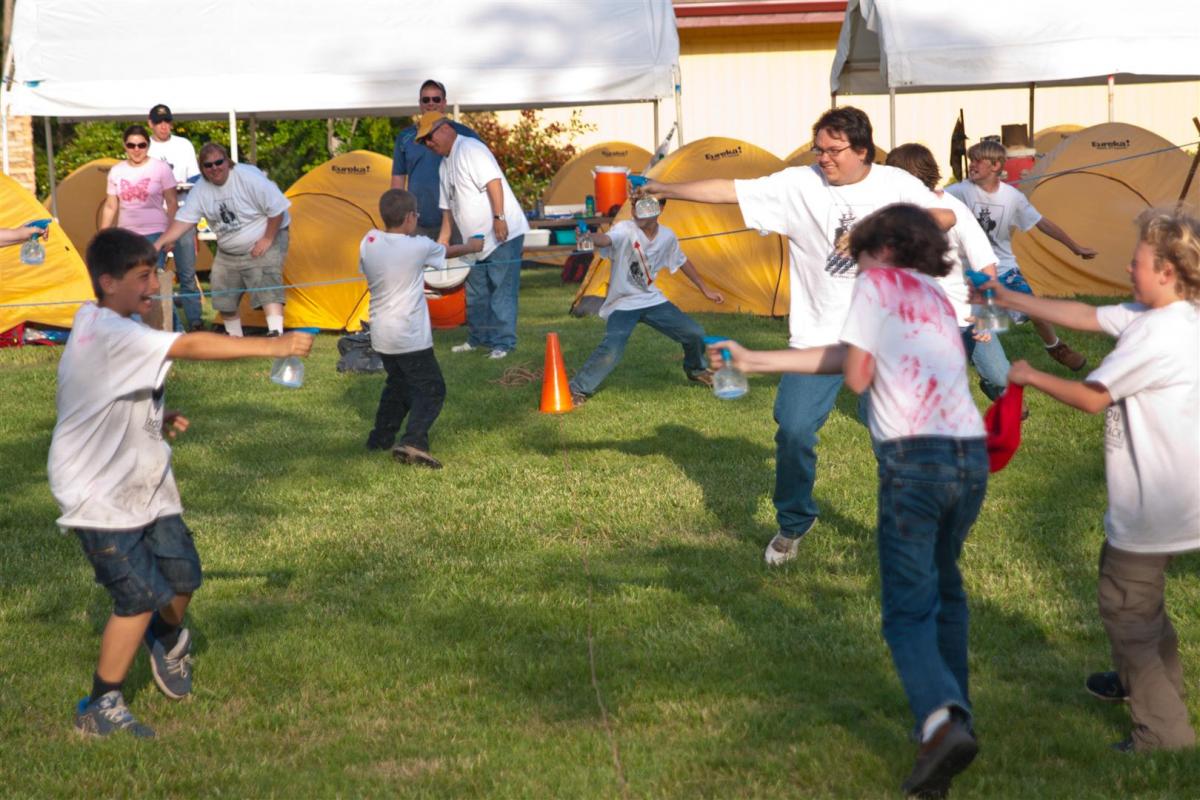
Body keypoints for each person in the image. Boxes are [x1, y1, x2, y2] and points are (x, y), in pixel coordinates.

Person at [708, 204, 987, 797]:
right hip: (968, 456)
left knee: (907, 608)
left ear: (881, 249)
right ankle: (952, 721)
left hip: (914, 462)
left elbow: (857, 374)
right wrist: (756, 360)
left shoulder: (877, 284)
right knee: (946, 589)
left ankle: (940, 723)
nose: (853, 265)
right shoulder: (935, 296)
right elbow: (845, 353)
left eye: (856, 253)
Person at [641, 106, 954, 565]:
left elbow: (943, 216)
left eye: (833, 150)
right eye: (818, 148)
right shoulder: (797, 184)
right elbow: (728, 189)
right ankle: (794, 523)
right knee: (793, 429)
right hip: (819, 335)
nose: (823, 157)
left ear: (862, 150)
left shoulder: (895, 183)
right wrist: (666, 188)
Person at [50, 228, 313, 738]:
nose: (154, 285)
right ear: (107, 281)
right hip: (98, 492)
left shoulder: (101, 319)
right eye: (142, 277)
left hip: (144, 479)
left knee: (183, 576)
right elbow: (188, 343)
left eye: (154, 274)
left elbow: (103, 386)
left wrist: (155, 412)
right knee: (138, 596)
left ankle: (164, 639)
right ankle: (99, 704)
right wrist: (274, 344)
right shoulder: (114, 333)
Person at [983, 207, 1199, 753]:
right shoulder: (1166, 314)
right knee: (1138, 602)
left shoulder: (1158, 336)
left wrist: (1029, 374)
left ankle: (1163, 732)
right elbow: (1082, 314)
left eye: (1137, 262)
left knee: (1127, 611)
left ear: (1167, 272)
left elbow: (1090, 397)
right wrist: (1008, 299)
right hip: (1170, 498)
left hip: (1153, 505)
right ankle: (1141, 681)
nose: (1128, 268)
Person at [946, 139, 1097, 371]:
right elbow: (930, 199)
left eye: (978, 161)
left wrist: (1075, 247)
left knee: (1033, 308)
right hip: (971, 271)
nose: (972, 165)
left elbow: (1042, 223)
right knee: (979, 326)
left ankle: (1056, 347)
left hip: (1004, 268)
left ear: (996, 166)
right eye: (971, 160)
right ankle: (989, 373)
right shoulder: (959, 191)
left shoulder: (1012, 197)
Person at [360, 189, 484, 468]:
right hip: (409, 337)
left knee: (398, 386)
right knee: (432, 389)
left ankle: (380, 439)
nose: (417, 218)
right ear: (408, 218)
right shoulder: (417, 246)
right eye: (416, 214)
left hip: (382, 335)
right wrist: (472, 246)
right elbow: (448, 251)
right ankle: (414, 442)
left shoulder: (368, 241)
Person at [885, 143, 1012, 402]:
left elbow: (986, 266)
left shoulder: (956, 212)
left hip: (963, 313)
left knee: (1001, 378)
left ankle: (996, 387)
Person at [568, 200, 724, 404]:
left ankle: (696, 369)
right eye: (635, 207)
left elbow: (682, 261)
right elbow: (606, 239)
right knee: (612, 348)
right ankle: (578, 388)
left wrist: (705, 289)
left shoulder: (667, 236)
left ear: (660, 209)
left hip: (652, 300)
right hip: (623, 303)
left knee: (694, 333)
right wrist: (590, 237)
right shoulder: (625, 229)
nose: (637, 212)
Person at [417, 111, 529, 359]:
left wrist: (499, 218)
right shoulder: (444, 165)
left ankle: (503, 343)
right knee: (477, 292)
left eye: (429, 137)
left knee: (501, 290)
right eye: (424, 141)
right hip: (474, 244)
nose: (428, 144)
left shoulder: (470, 148)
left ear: (445, 129)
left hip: (502, 235)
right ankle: (479, 339)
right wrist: (443, 240)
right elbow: (447, 209)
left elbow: (493, 182)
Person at [155, 143, 291, 337]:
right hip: (229, 247)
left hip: (267, 233)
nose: (215, 168)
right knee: (222, 290)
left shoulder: (249, 177)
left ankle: (276, 333)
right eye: (208, 165)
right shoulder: (200, 190)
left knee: (266, 279)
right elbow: (183, 221)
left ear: (228, 162)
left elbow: (278, 209)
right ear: (202, 169)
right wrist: (159, 243)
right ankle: (234, 339)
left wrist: (267, 239)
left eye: (219, 162)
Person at [391, 80, 480, 240]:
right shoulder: (405, 137)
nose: (431, 103)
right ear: (420, 104)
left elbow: (482, 174)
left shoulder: (464, 133)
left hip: (457, 220)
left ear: (444, 103)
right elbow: (398, 179)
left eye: (436, 99)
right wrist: (398, 216)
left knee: (459, 258)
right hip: (417, 222)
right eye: (426, 99)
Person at [148, 103, 205, 331]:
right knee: (155, 271)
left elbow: (196, 179)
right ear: (150, 123)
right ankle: (160, 320)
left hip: (182, 215)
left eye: (167, 121)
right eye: (159, 122)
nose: (164, 126)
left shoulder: (184, 145)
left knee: (187, 272)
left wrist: (179, 186)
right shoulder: (144, 146)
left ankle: (195, 320)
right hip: (155, 218)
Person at [99, 125, 178, 262]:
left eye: (141, 145)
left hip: (155, 233)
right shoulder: (116, 171)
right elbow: (110, 206)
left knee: (152, 272)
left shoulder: (161, 168)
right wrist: (102, 237)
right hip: (125, 235)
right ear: (125, 146)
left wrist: (171, 236)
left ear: (148, 146)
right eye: (131, 145)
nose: (136, 150)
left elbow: (172, 203)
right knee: (127, 273)